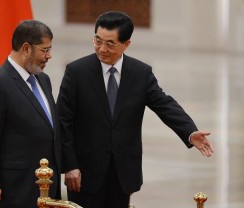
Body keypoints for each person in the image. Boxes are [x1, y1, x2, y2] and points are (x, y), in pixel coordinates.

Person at [57, 11, 214, 208]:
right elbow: (63, 120)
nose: (102, 49)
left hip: (123, 172)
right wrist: (70, 165)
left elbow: (164, 104)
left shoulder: (140, 73)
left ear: (126, 44)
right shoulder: (76, 72)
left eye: (110, 43)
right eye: (97, 41)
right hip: (84, 173)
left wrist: (189, 131)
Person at [0, 20, 62, 208]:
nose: (49, 56)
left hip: (44, 185)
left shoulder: (43, 79)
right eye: (44, 50)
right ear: (26, 48)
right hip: (12, 189)